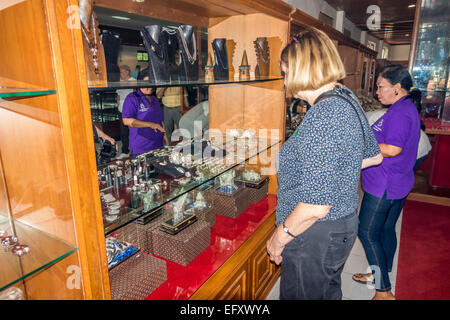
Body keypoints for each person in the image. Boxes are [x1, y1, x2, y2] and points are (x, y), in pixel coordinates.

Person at [266, 28, 382, 300]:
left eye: (286, 72)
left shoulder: (324, 116)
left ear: (301, 70)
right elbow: (372, 155)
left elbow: (316, 205)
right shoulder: (345, 96)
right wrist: (335, 176)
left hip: (314, 233)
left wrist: (279, 237)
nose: (285, 81)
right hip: (340, 223)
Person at [352, 65, 421, 300]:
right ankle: (380, 272)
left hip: (385, 185)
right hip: (396, 182)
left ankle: (383, 291)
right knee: (385, 230)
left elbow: (392, 149)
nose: (377, 92)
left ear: (397, 88)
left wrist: (359, 146)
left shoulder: (401, 113)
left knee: (367, 231)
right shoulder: (401, 107)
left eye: (381, 87)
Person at [122, 71, 169, 157]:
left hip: (158, 145)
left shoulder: (154, 99)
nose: (150, 86)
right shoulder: (132, 98)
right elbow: (126, 121)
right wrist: (150, 124)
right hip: (141, 147)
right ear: (140, 83)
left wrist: (167, 140)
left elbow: (160, 122)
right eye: (147, 83)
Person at [116, 65, 136, 159]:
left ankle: (134, 150)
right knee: (123, 132)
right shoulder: (120, 82)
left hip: (131, 111)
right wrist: (117, 101)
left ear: (127, 72)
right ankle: (125, 151)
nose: (120, 74)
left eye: (121, 72)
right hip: (121, 110)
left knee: (133, 131)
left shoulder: (133, 81)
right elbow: (118, 94)